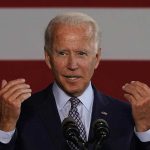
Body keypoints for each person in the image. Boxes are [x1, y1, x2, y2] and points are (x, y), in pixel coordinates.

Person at [0, 12, 150, 150]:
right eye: (63, 53)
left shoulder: (126, 116)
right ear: (48, 58)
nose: (72, 65)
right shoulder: (19, 114)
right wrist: (5, 127)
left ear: (96, 58)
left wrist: (144, 128)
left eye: (81, 53)